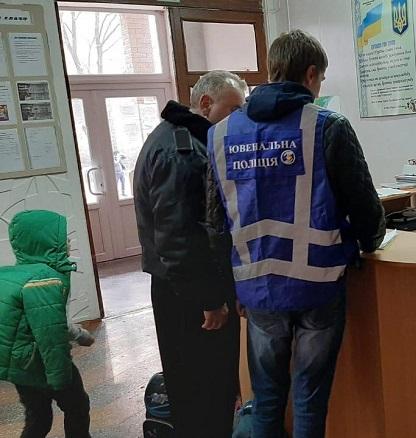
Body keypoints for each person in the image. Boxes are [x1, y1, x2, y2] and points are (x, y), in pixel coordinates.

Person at [206, 30, 386, 438]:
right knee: (309, 400)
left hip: (258, 290)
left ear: (273, 71)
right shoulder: (328, 126)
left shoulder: (221, 134)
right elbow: (364, 207)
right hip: (317, 286)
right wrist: (370, 242)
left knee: (267, 399)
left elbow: (215, 223)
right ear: (310, 74)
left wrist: (232, 287)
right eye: (320, 79)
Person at [133, 70, 248, 438]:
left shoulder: (179, 137)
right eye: (234, 109)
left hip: (181, 285)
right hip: (188, 293)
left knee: (197, 387)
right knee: (204, 389)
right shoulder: (181, 151)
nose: (239, 118)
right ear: (206, 103)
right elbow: (180, 237)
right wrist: (210, 300)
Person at [0, 210, 91, 438]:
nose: (68, 243)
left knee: (38, 417)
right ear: (46, 243)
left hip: (21, 364)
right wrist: (60, 375)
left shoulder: (20, 273)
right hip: (41, 361)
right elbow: (51, 333)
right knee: (77, 406)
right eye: (62, 239)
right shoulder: (45, 280)